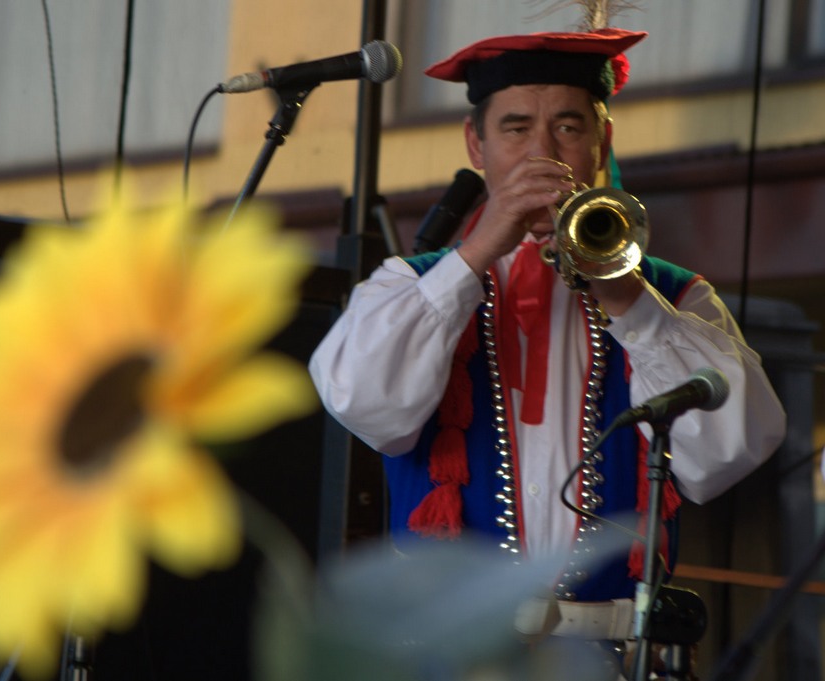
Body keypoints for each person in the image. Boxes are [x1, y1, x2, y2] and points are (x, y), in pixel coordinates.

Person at [308, 27, 785, 615]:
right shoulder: (407, 284)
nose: (544, 154)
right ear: (476, 145)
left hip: (613, 651)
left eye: (568, 128)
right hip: (453, 649)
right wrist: (475, 254)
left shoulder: (677, 295)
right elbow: (361, 403)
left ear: (602, 142)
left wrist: (628, 297)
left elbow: (732, 451)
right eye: (516, 129)